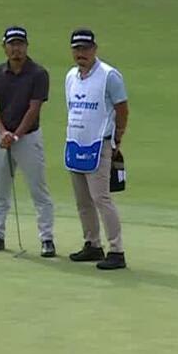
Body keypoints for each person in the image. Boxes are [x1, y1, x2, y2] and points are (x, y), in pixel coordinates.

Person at [0, 25, 56, 257]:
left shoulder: (39, 74)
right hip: (2, 136)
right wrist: (3, 132)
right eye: (12, 44)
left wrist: (16, 135)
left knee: (38, 190)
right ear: (4, 47)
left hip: (28, 137)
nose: (17, 49)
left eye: (20, 44)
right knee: (0, 189)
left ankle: (47, 238)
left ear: (26, 46)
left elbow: (34, 108)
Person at [62, 28, 129, 270]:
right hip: (75, 143)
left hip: (99, 144)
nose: (81, 53)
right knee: (83, 200)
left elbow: (122, 109)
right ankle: (92, 244)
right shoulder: (71, 77)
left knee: (101, 198)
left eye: (86, 49)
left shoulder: (109, 76)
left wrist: (117, 137)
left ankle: (116, 250)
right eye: (77, 49)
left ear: (94, 49)